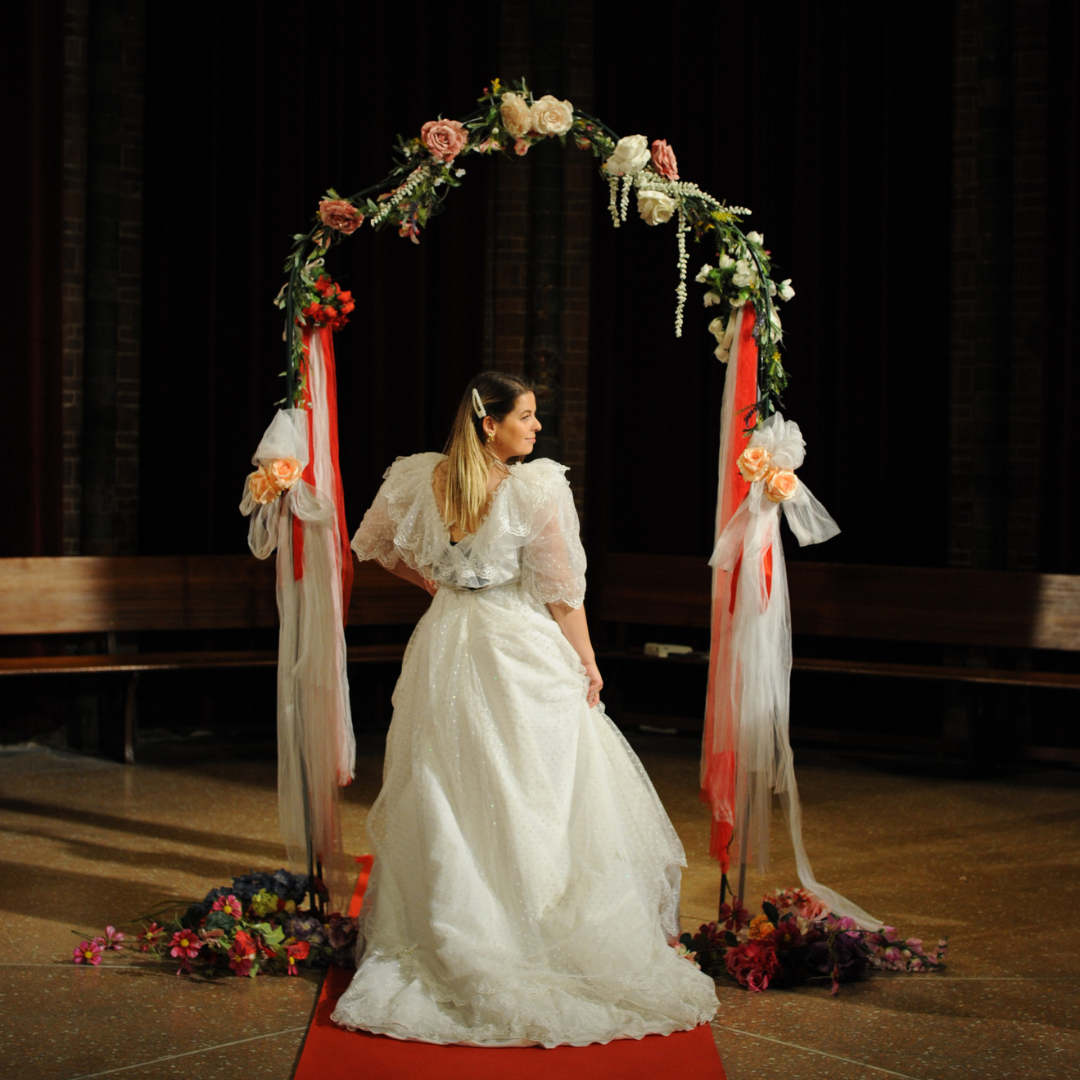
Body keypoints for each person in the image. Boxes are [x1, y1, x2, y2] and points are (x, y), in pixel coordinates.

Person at [331, 371, 718, 1047]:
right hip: (514, 643)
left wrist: (439, 583)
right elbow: (561, 591)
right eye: (528, 416)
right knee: (531, 785)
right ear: (490, 422)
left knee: (452, 779)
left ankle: (457, 919)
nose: (537, 428)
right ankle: (531, 928)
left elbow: (375, 546)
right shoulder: (536, 486)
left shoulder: (420, 477)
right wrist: (590, 662)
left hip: (448, 640)